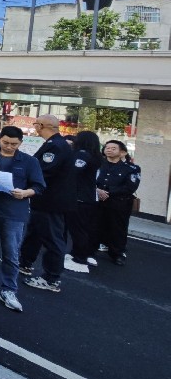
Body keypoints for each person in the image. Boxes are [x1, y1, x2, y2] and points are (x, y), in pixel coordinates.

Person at [0, 126, 46, 312]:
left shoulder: (29, 161)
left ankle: (9, 289)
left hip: (14, 211)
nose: (9, 147)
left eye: (14, 144)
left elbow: (39, 186)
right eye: (6, 142)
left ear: (21, 143)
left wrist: (25, 192)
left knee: (11, 253)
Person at [20, 115, 76, 292]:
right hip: (44, 200)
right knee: (35, 233)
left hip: (51, 201)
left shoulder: (55, 146)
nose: (34, 127)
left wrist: (23, 180)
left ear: (41, 125)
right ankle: (24, 263)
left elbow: (43, 171)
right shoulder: (55, 144)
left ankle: (51, 278)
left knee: (53, 239)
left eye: (35, 124)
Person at [96, 140, 141, 266]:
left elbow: (130, 187)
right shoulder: (98, 164)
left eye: (113, 148)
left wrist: (107, 192)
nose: (109, 150)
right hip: (98, 200)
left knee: (118, 229)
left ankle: (118, 253)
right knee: (96, 225)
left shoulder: (132, 168)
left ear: (122, 153)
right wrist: (97, 190)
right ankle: (92, 249)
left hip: (119, 203)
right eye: (107, 147)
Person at [67, 131, 103, 272]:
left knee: (78, 229)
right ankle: (80, 253)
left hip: (80, 197)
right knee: (85, 228)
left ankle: (80, 258)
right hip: (89, 197)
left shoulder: (82, 154)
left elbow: (73, 172)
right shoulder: (96, 156)